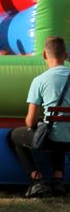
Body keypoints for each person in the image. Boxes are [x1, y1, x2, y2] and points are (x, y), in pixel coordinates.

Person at [8, 36, 70, 198]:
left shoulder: (40, 80)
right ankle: (58, 180)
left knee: (14, 136)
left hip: (52, 139)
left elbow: (30, 121)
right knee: (61, 130)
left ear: (44, 55)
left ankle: (37, 181)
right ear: (66, 55)